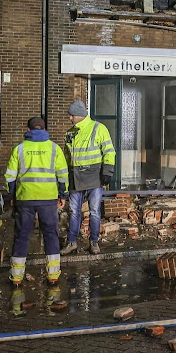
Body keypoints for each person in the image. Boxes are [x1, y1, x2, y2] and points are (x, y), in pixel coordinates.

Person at [5, 116, 68, 288]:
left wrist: (12, 198)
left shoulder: (19, 149)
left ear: (28, 130)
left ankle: (16, 278)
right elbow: (62, 175)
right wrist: (62, 195)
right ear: (44, 130)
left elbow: (10, 177)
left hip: (25, 198)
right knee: (50, 235)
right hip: (48, 199)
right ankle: (53, 277)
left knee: (22, 236)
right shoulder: (54, 149)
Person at [61, 99, 115, 255]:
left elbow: (109, 151)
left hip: (94, 177)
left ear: (79, 115)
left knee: (94, 212)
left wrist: (107, 171)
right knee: (74, 212)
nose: (70, 119)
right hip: (75, 177)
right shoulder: (70, 133)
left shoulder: (99, 128)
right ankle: (72, 242)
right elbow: (67, 157)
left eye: (71, 116)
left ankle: (94, 242)